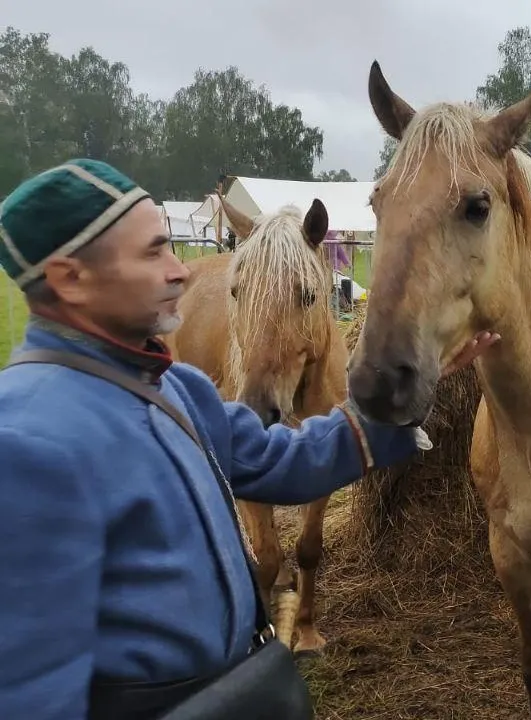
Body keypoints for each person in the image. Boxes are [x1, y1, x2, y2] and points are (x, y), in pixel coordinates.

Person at [0, 159, 496, 719]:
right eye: (152, 252)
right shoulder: (24, 444)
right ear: (70, 279)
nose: (182, 273)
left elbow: (277, 459)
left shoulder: (176, 387)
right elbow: (30, 693)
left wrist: (400, 397)